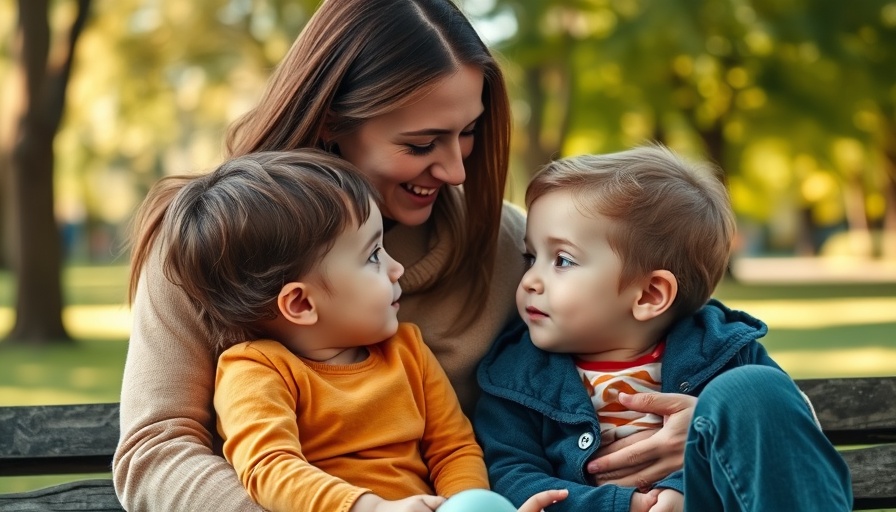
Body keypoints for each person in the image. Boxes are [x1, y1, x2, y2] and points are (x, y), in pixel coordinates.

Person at [112, 0, 687, 510]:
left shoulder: (517, 245)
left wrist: (711, 419)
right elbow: (156, 450)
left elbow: (666, 312)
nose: (457, 170)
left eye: (468, 132)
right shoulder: (212, 244)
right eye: (420, 143)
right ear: (333, 120)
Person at [137, 149, 556, 512]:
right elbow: (269, 468)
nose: (397, 268)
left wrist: (467, 503)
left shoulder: (407, 351)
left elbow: (454, 448)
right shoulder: (257, 371)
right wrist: (366, 507)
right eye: (373, 256)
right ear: (300, 303)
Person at [474, 145, 854, 512]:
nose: (529, 282)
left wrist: (682, 484)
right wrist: (624, 505)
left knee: (756, 388)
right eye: (530, 256)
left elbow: (781, 441)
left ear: (650, 295)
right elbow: (511, 476)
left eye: (562, 260)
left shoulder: (724, 353)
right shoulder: (516, 376)